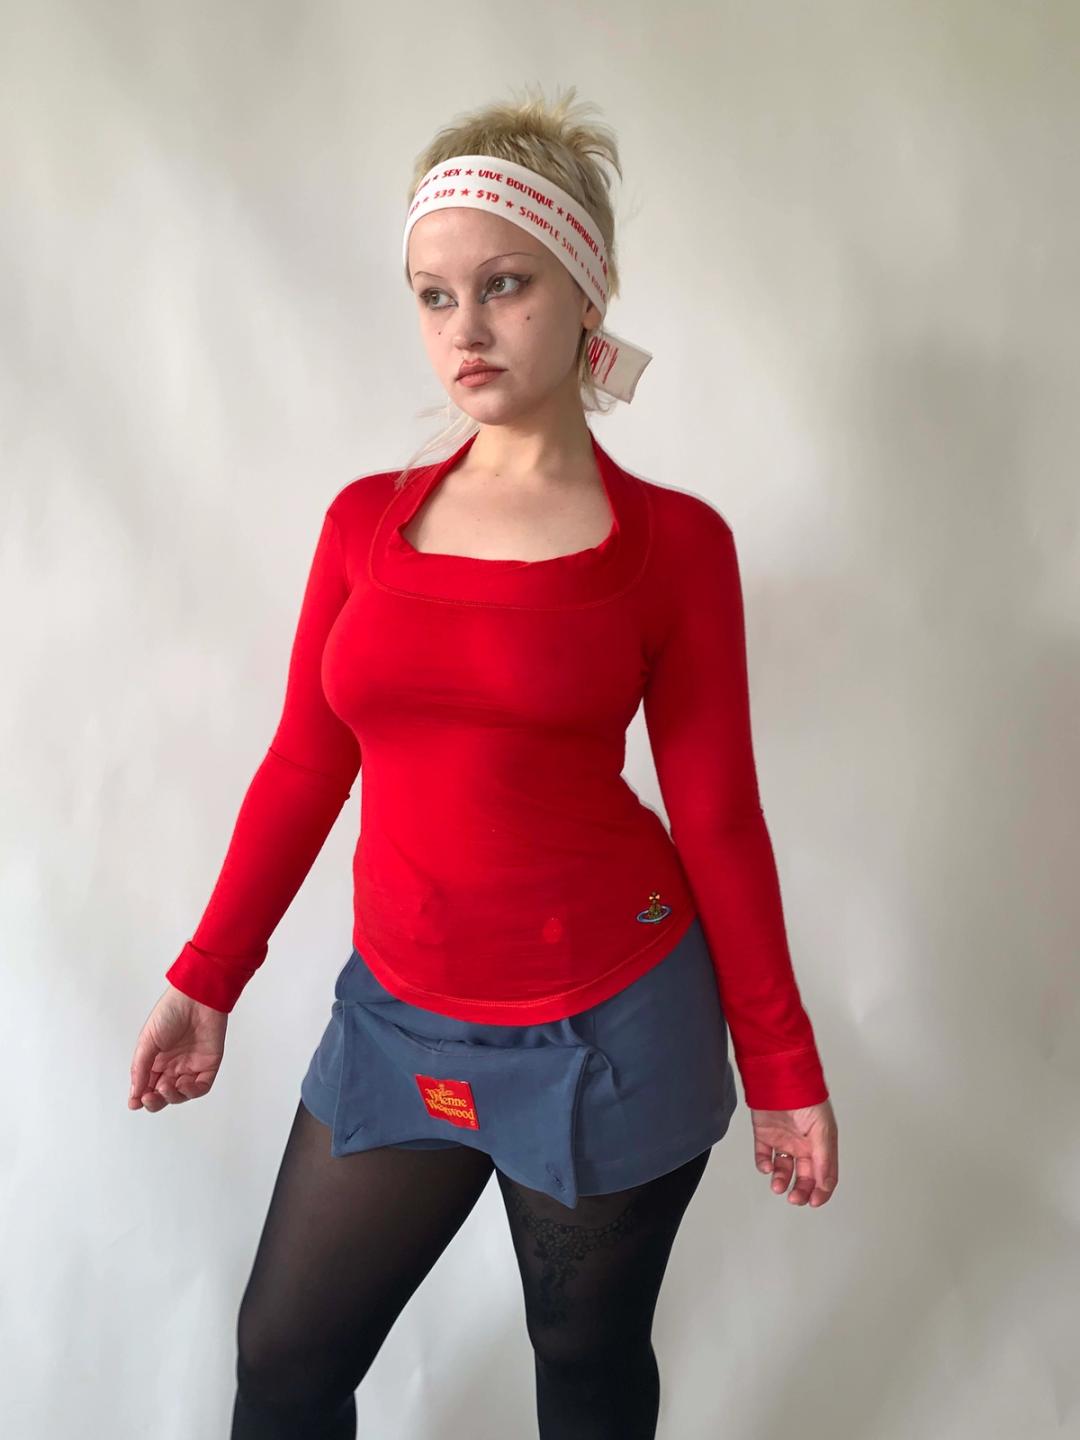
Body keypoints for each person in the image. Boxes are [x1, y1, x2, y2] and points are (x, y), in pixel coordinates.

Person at [128, 83, 839, 1439]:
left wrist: (784, 1068)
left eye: (505, 285)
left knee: (584, 1367)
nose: (466, 328)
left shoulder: (677, 547)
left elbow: (720, 820)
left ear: (587, 291)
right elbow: (304, 765)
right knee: (283, 1366)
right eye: (435, 295)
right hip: (396, 1020)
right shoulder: (362, 525)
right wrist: (206, 977)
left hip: (610, 1023)